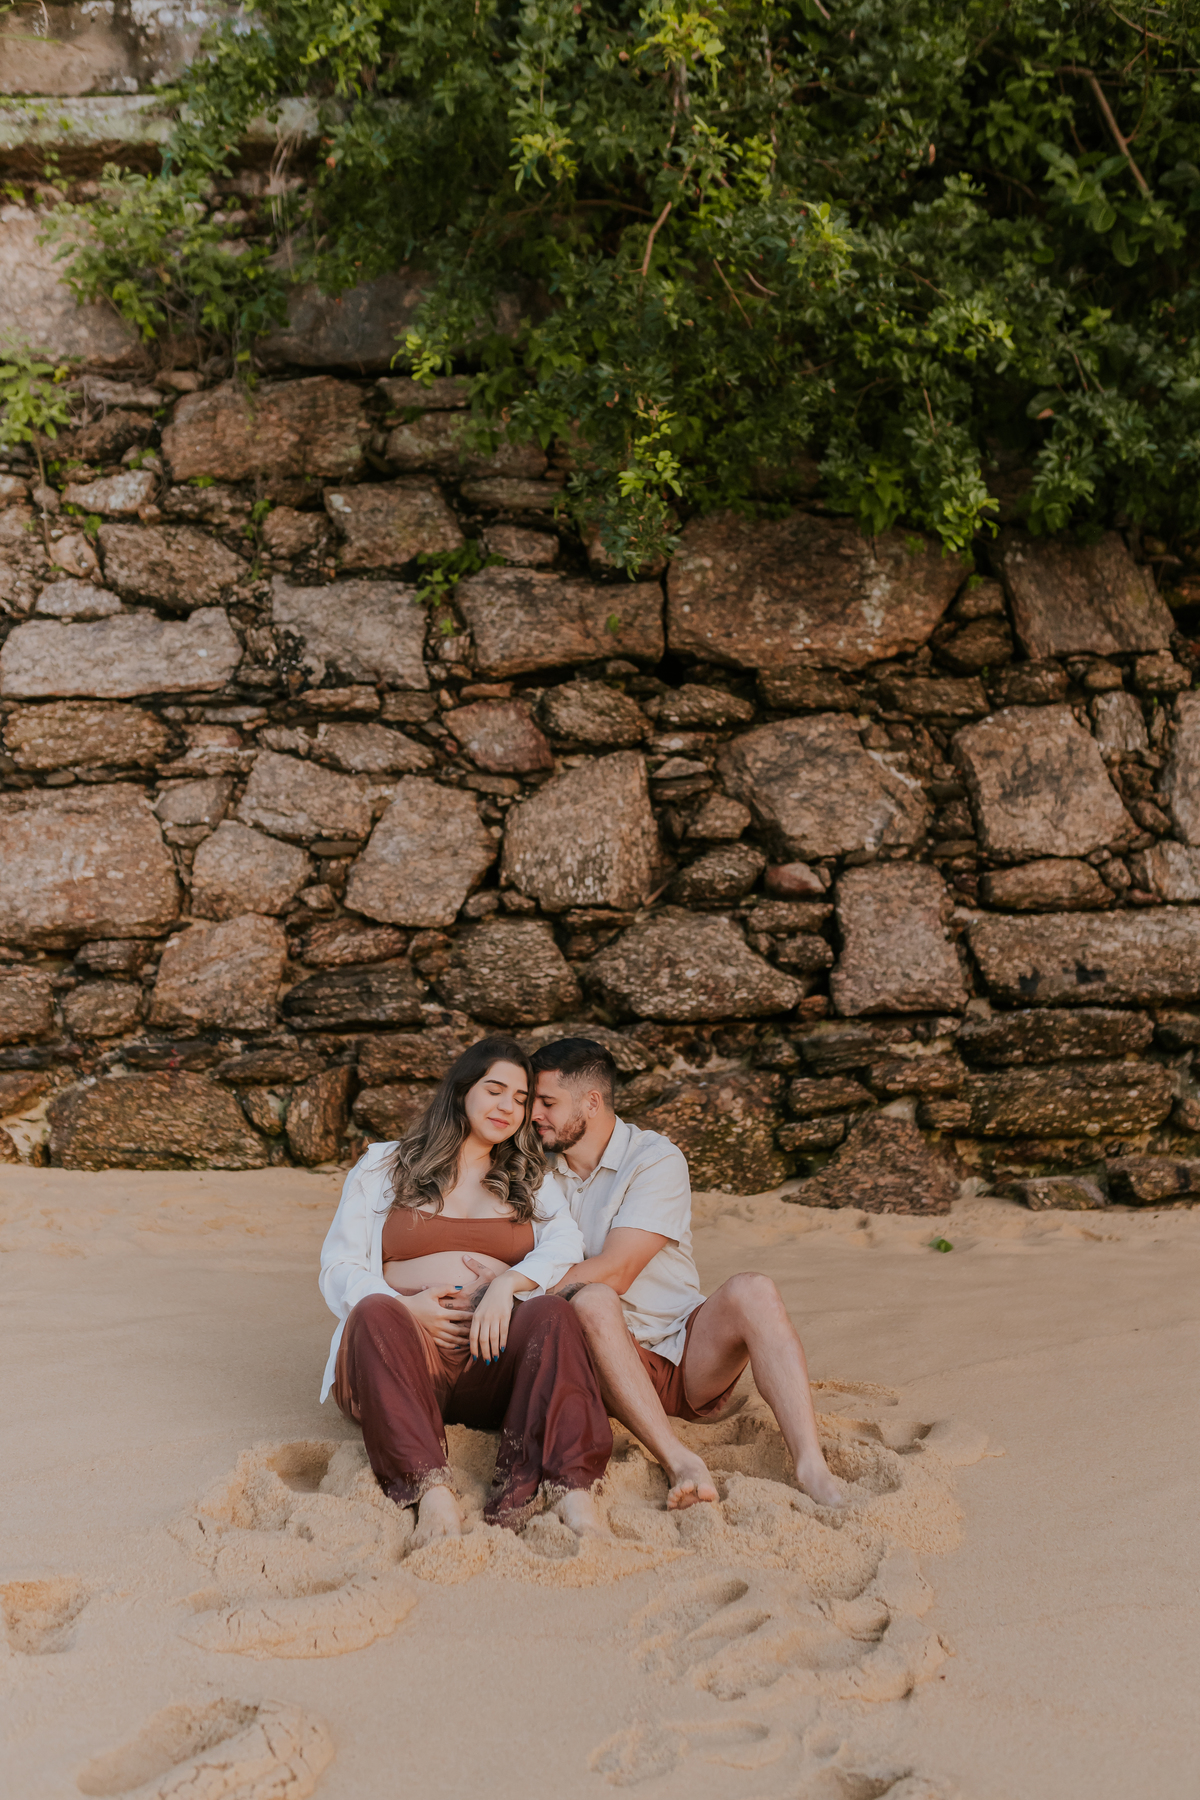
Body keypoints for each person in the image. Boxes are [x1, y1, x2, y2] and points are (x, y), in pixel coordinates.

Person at [529, 1037, 846, 1513]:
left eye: (547, 1102)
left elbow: (618, 1269)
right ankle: (680, 1461)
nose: (533, 1114)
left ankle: (810, 1465)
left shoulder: (653, 1159)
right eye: (532, 1101)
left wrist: (513, 1291)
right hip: (602, 1363)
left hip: (684, 1354)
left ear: (591, 1102)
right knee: (592, 1301)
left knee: (754, 1290)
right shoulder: (534, 1171)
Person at [319, 1036, 613, 1546]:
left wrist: (507, 1284)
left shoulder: (527, 1178)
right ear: (462, 1091)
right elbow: (337, 1265)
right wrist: (405, 1306)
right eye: (495, 1090)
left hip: (487, 1359)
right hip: (401, 1361)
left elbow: (567, 1244)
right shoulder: (386, 1166)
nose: (508, 1107)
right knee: (371, 1310)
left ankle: (571, 1487)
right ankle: (432, 1493)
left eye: (521, 1099)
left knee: (552, 1315)